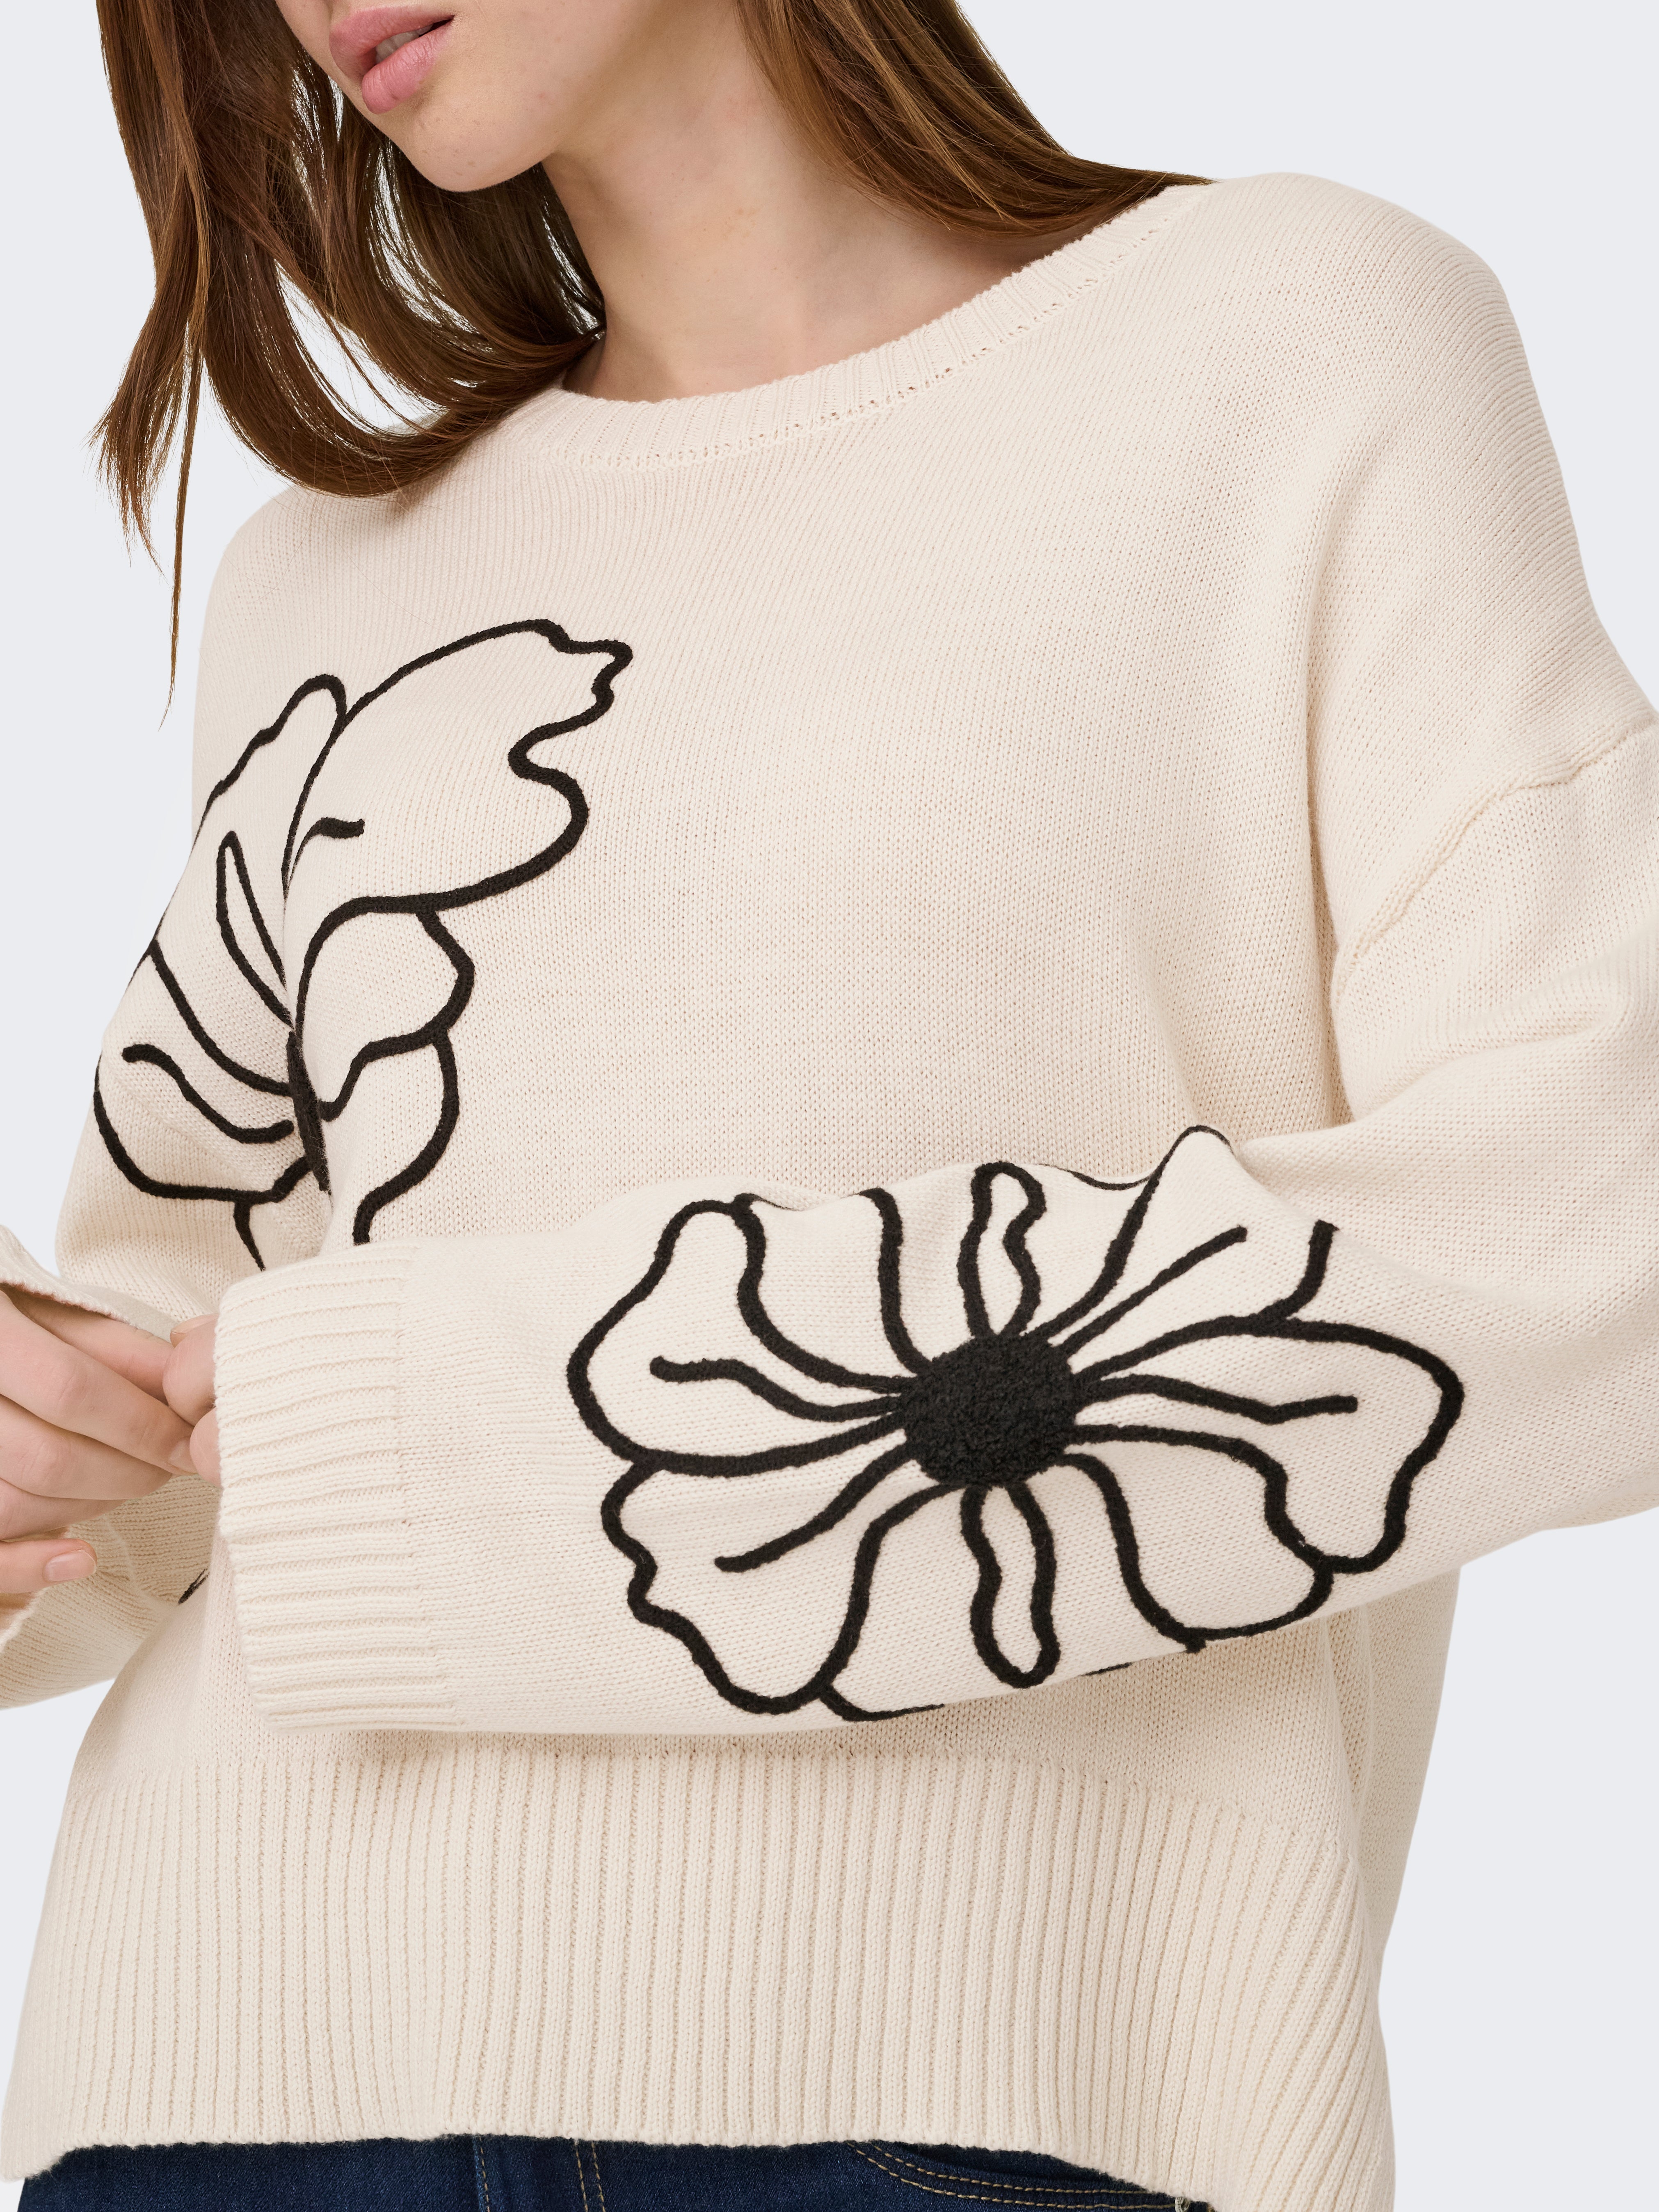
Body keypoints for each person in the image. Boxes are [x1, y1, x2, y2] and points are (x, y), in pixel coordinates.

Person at [2, 0, 1654, 2205]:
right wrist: (50, 1444)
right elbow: (203, 1403)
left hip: (971, 2087)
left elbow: (1603, 1232)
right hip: (216, 2085)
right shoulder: (323, 583)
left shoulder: (1294, 345)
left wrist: (493, 1432)